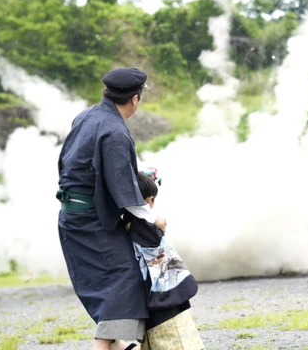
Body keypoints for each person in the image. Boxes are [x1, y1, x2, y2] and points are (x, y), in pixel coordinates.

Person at [56, 67, 166, 350]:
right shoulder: (114, 130)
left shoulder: (87, 116)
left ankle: (116, 345)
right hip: (91, 219)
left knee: (106, 282)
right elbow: (123, 190)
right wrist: (153, 218)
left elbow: (90, 169)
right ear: (135, 99)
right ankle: (104, 346)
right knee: (125, 277)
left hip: (73, 216)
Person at [124, 172, 204, 349]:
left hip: (148, 290)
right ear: (150, 200)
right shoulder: (148, 225)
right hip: (165, 291)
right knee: (175, 336)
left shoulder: (127, 221)